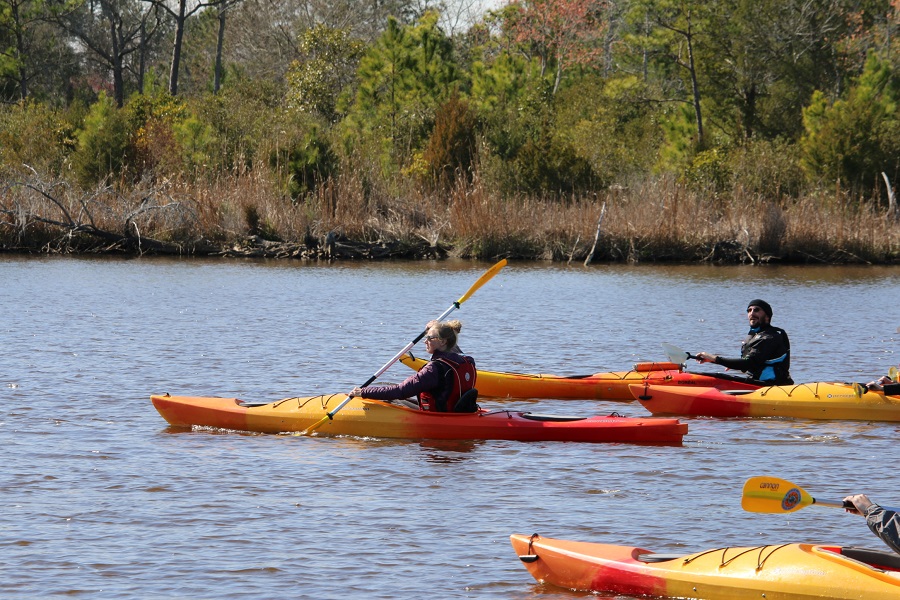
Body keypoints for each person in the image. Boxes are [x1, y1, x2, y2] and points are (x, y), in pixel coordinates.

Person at [350, 321, 477, 412]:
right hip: (460, 412)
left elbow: (401, 391)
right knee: (407, 401)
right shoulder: (468, 360)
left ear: (443, 341)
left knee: (388, 400)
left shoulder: (434, 369)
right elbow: (452, 347)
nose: (425, 341)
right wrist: (436, 328)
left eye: (429, 337)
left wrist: (364, 392)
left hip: (439, 416)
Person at [695, 299, 793, 385]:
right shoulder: (753, 335)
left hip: (773, 385)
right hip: (756, 382)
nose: (752, 313)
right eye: (749, 310)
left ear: (767, 316)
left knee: (717, 379)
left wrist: (715, 359)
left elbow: (748, 363)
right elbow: (746, 362)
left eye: (756, 310)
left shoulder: (771, 336)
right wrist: (715, 361)